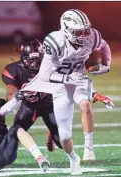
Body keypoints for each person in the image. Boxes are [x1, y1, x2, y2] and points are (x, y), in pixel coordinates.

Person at [21, 9, 112, 175]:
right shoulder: (54, 41)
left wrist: (106, 64)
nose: (85, 35)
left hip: (79, 78)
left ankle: (88, 148)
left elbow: (104, 46)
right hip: (59, 84)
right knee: (64, 136)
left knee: (85, 104)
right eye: (79, 32)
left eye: (86, 30)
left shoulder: (93, 36)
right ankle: (73, 157)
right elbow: (45, 74)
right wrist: (66, 79)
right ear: (66, 29)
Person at [2, 39, 114, 158]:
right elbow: (10, 93)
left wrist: (93, 93)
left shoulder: (54, 65)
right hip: (29, 106)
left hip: (51, 106)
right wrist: (15, 97)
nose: (33, 64)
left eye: (36, 60)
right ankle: (0, 158)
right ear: (22, 58)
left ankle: (52, 133)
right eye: (30, 60)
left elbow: (75, 81)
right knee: (14, 134)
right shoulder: (15, 70)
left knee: (62, 142)